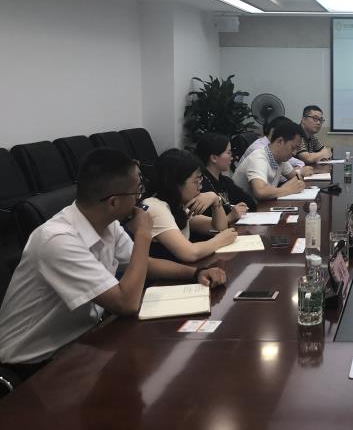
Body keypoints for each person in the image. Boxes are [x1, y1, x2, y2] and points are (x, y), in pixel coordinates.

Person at [0, 148, 226, 381]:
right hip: (33, 365)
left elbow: (145, 264)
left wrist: (197, 273)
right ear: (114, 202)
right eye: (137, 191)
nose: (140, 199)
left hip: (83, 342)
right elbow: (126, 303)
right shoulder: (57, 240)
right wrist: (143, 235)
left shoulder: (109, 223)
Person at [143, 149, 238, 262]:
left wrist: (215, 200)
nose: (200, 187)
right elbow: (190, 253)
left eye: (200, 179)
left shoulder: (177, 206)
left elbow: (218, 228)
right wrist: (219, 241)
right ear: (174, 183)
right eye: (196, 181)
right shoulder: (154, 207)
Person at [232, 120, 307, 200]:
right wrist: (288, 189)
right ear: (280, 141)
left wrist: (295, 183)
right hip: (243, 206)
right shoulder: (258, 158)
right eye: (293, 148)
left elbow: (296, 178)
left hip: (262, 205)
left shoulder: (280, 159)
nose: (294, 153)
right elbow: (260, 192)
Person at [195, 133, 256, 224]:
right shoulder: (201, 185)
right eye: (228, 152)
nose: (232, 157)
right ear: (214, 158)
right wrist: (230, 216)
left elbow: (250, 203)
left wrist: (240, 208)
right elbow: (207, 223)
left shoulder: (225, 181)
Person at [240, 115, 307, 170]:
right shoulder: (259, 150)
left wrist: (296, 172)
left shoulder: (279, 152)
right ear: (273, 131)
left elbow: (299, 163)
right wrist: (299, 172)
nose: (294, 153)